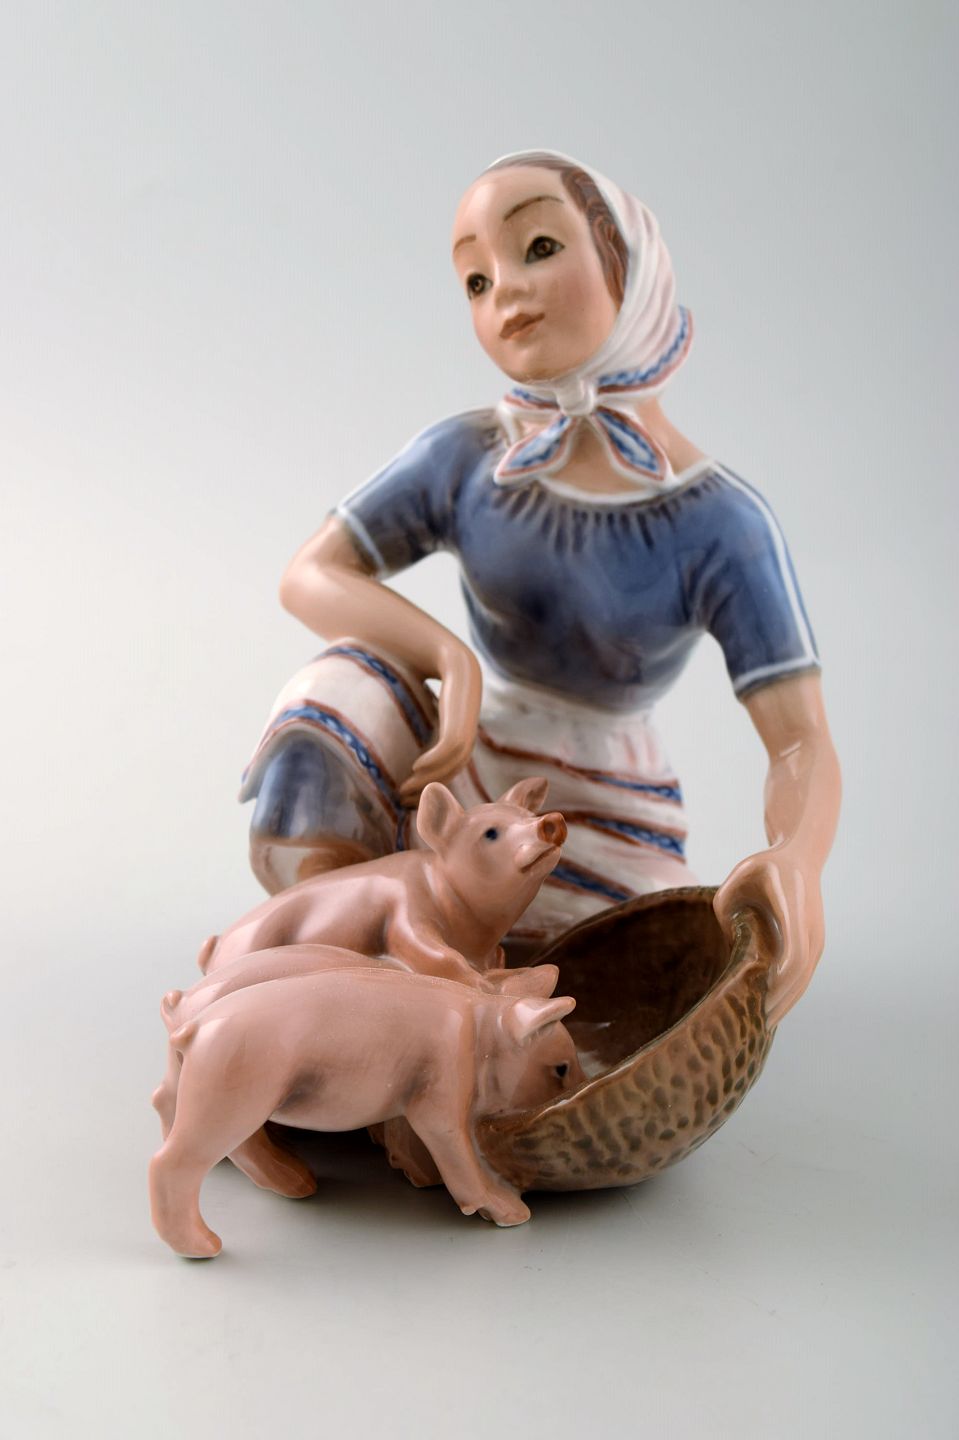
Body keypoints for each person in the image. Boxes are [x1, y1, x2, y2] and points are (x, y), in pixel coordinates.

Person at [245, 149, 841, 1027]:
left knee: (620, 991)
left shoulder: (720, 520)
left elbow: (799, 741)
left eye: (538, 248)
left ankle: (445, 1006)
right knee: (335, 686)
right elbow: (310, 572)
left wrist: (797, 858)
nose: (507, 294)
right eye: (476, 280)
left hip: (605, 800)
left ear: (624, 262)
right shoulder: (467, 457)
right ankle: (337, 965)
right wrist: (447, 658)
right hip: (465, 774)